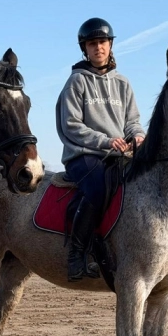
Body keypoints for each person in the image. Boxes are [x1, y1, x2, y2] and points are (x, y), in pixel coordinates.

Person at [55, 17, 145, 281]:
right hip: (83, 155)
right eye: (92, 44)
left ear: (110, 45)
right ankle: (77, 254)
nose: (98, 48)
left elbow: (133, 122)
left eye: (102, 42)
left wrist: (137, 137)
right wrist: (105, 141)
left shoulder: (123, 83)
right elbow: (71, 125)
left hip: (119, 154)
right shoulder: (77, 82)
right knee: (98, 186)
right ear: (85, 48)